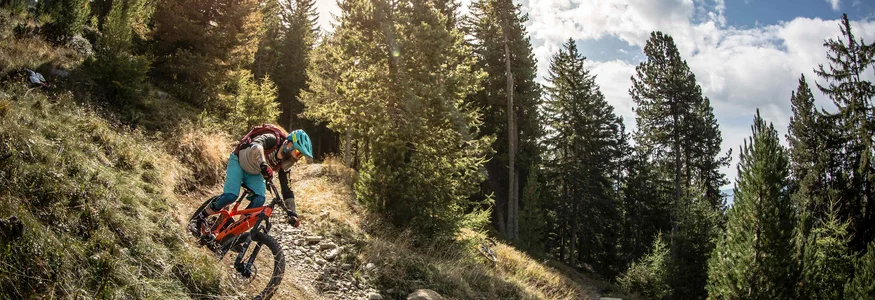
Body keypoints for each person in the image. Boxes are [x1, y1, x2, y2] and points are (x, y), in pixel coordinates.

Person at [189, 126, 313, 237]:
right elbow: (256, 146)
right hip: (238, 161)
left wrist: (293, 213)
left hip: (254, 173)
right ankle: (198, 219)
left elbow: (287, 189)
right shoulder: (273, 139)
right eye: (298, 152)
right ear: (289, 144)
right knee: (230, 196)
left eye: (300, 155)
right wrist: (263, 164)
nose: (297, 157)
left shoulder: (284, 164)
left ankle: (231, 234)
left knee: (259, 199)